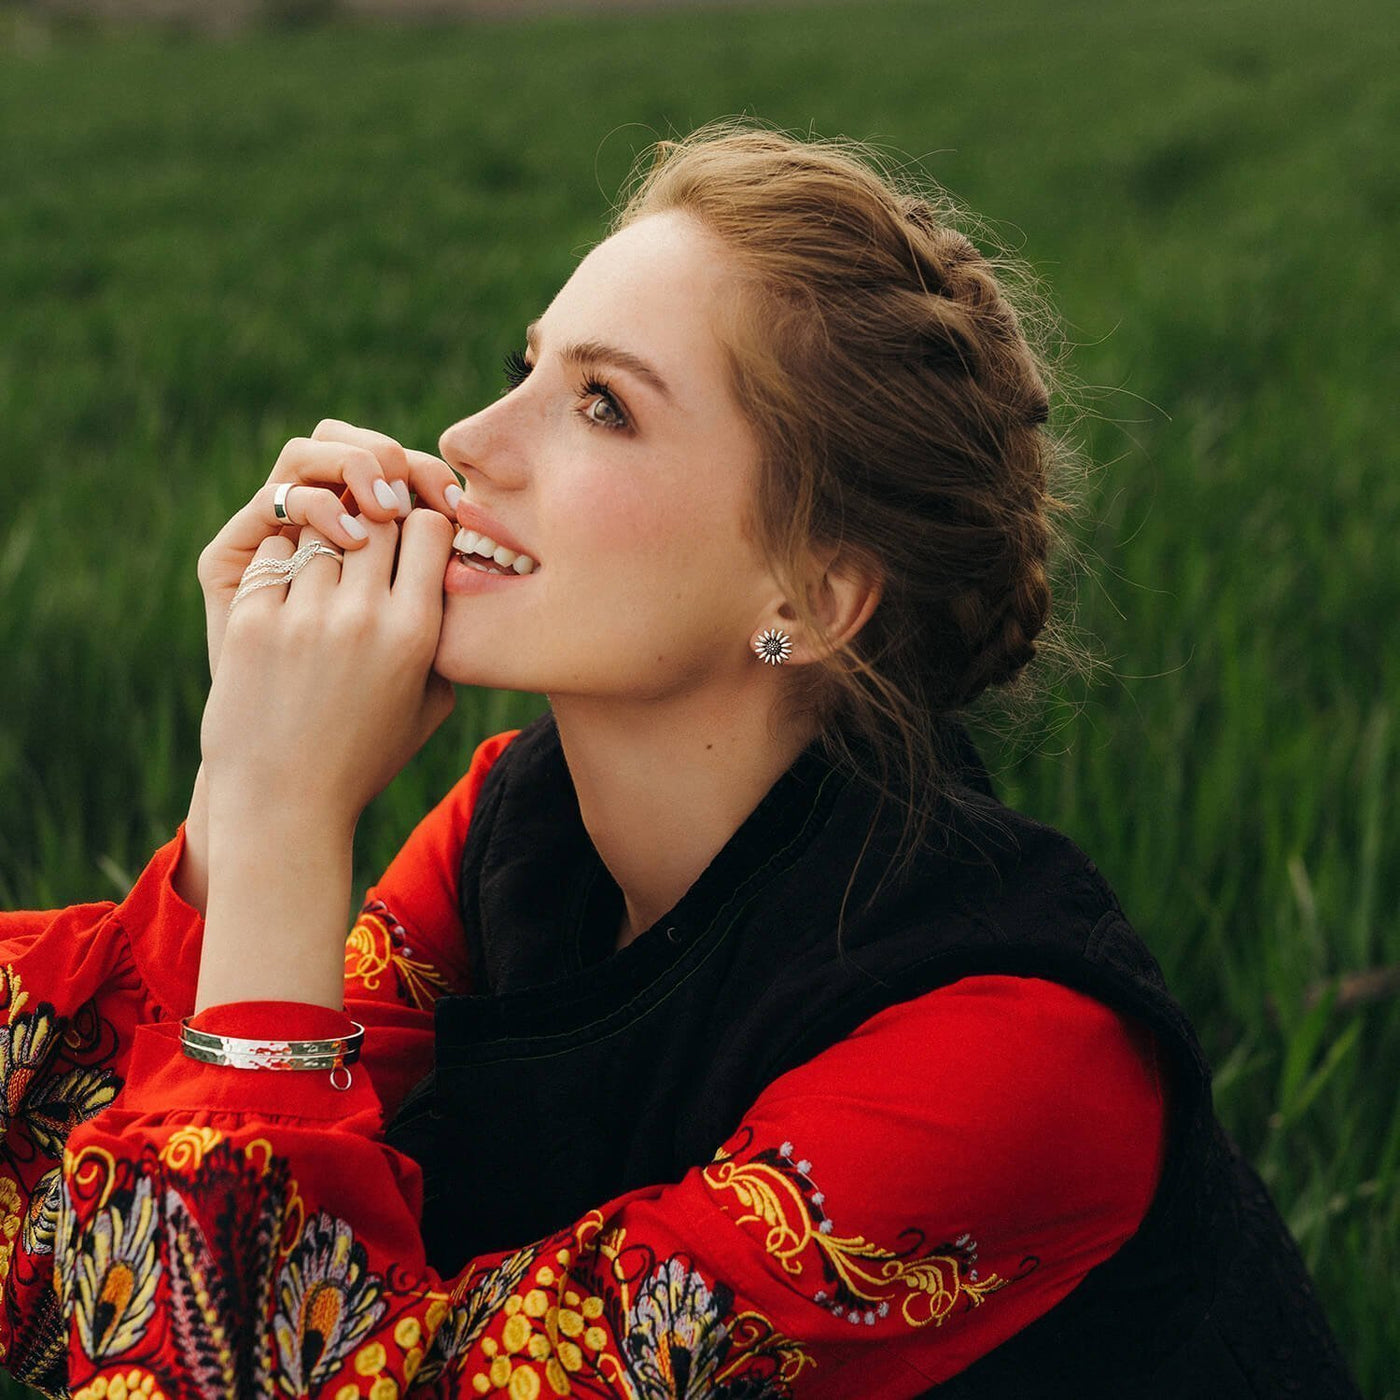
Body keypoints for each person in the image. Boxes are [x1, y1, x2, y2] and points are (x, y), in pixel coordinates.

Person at [0, 122, 1357, 1399]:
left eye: (601, 407)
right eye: (528, 362)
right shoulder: (512, 837)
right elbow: (102, 1186)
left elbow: (222, 1342)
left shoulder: (1006, 1059)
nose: (470, 443)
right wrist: (240, 799)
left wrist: (287, 804)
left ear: (811, 597)